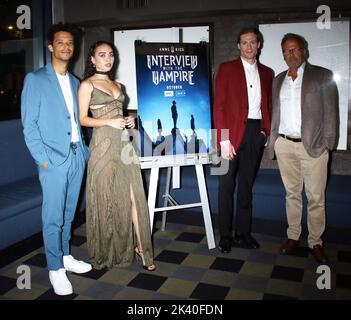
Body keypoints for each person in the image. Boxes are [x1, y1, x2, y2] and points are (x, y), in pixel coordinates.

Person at [21, 23, 92, 296]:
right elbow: (30, 126)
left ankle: (64, 256)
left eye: (70, 43)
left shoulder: (76, 82)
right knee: (53, 215)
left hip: (77, 156)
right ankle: (54, 268)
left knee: (68, 213)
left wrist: (84, 151)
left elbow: (78, 120)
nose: (66, 47)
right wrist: (43, 160)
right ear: (51, 46)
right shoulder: (35, 80)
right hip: (53, 159)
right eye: (61, 42)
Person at [78, 41, 156, 271]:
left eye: (111, 55)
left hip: (123, 145)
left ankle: (143, 249)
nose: (107, 59)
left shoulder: (118, 84)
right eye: (102, 55)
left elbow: (121, 114)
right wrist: (108, 121)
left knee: (134, 197)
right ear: (92, 59)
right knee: (106, 199)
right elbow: (82, 118)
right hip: (102, 146)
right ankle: (108, 251)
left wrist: (130, 120)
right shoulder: (87, 85)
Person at [267, 33, 338, 263]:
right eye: (286, 51)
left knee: (316, 197)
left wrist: (328, 143)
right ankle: (293, 235)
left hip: (314, 147)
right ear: (283, 54)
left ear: (304, 51)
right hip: (285, 145)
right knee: (291, 194)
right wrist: (275, 141)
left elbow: (331, 113)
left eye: (295, 49)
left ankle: (315, 241)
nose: (291, 54)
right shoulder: (278, 79)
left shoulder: (322, 75)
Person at [213, 27, 273, 253]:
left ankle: (243, 233)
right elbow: (219, 106)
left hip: (254, 133)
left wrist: (264, 132)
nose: (249, 46)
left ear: (259, 45)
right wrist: (223, 140)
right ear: (238, 45)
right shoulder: (226, 68)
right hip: (228, 135)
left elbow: (268, 105)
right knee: (225, 187)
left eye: (253, 42)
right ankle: (226, 235)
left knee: (246, 186)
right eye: (244, 42)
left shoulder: (267, 72)